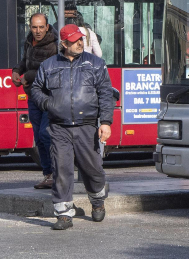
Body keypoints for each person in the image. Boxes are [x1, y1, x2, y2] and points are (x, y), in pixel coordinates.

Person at [32, 24, 115, 231]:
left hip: (86, 126)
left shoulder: (95, 63)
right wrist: (47, 104)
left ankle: (97, 201)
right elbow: (36, 89)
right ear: (64, 43)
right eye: (75, 40)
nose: (80, 43)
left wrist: (105, 122)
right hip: (59, 127)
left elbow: (106, 93)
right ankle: (63, 215)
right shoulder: (49, 65)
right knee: (62, 170)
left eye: (81, 39)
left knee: (93, 169)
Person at [12, 13, 59, 189]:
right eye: (34, 27)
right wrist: (16, 70)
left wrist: (27, 76)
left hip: (49, 96)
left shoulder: (54, 46)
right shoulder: (29, 40)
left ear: (47, 27)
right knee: (38, 137)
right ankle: (48, 175)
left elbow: (47, 70)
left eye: (41, 27)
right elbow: (26, 60)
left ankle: (56, 173)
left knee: (46, 135)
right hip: (33, 96)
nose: (37, 31)